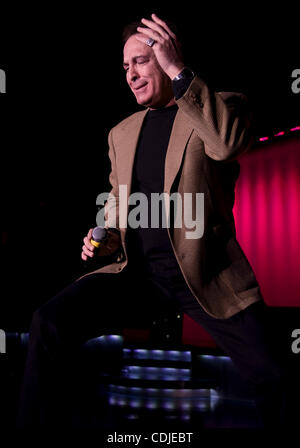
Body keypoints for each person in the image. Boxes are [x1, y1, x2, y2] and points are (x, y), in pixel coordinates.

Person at [17, 13, 293, 429]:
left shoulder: (221, 106)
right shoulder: (121, 133)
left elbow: (226, 145)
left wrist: (179, 69)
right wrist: (104, 236)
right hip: (137, 277)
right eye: (125, 66)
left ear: (166, 58)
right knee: (49, 322)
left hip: (204, 276)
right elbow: (116, 204)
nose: (130, 74)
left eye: (141, 61)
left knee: (276, 376)